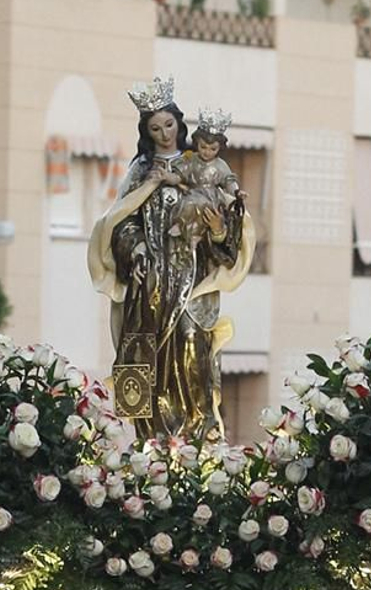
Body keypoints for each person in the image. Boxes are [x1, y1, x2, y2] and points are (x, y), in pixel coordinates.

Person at [86, 82, 254, 443]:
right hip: (151, 284)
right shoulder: (140, 171)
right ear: (147, 132)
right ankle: (154, 441)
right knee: (151, 361)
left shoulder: (200, 166)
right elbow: (121, 221)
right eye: (155, 128)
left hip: (194, 277)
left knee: (193, 348)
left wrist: (220, 229)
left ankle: (197, 436)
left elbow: (228, 223)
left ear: (180, 124)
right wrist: (136, 251)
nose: (164, 134)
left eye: (169, 125)